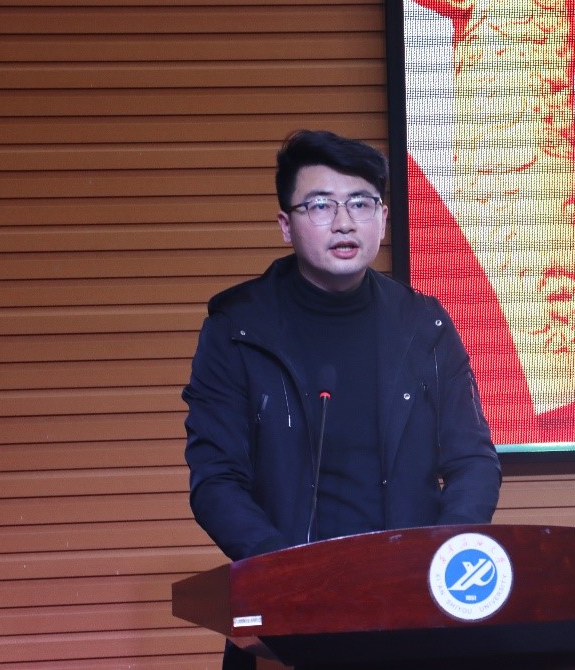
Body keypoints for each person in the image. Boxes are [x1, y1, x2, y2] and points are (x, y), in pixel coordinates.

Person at [182, 129, 502, 669]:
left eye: (360, 203)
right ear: (286, 224)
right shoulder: (238, 329)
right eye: (320, 205)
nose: (344, 222)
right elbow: (216, 481)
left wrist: (442, 557)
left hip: (411, 612)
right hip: (289, 618)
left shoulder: (423, 325)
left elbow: (473, 460)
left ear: (383, 217)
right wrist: (287, 573)